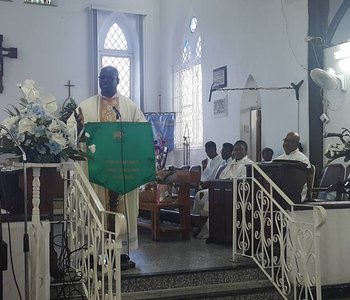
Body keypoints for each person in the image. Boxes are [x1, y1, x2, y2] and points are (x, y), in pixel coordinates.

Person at [67, 66, 146, 270]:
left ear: (118, 81)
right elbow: (71, 130)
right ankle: (93, 252)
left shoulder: (129, 108)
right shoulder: (85, 107)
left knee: (120, 209)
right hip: (96, 172)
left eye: (109, 79)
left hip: (121, 171)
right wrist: (79, 129)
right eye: (101, 79)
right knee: (96, 208)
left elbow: (142, 131)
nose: (104, 82)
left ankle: (119, 254)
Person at [192, 140, 252, 238]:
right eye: (236, 150)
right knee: (200, 194)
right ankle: (196, 223)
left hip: (237, 192)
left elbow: (244, 180)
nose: (237, 152)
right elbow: (222, 176)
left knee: (211, 197)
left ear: (246, 151)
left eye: (240, 149)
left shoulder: (249, 164)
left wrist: (228, 181)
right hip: (224, 189)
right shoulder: (231, 163)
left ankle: (210, 229)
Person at [275, 132, 311, 201]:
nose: (286, 143)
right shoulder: (278, 159)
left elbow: (301, 180)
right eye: (285, 140)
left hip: (296, 192)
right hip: (280, 191)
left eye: (290, 141)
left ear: (297, 144)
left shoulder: (302, 160)